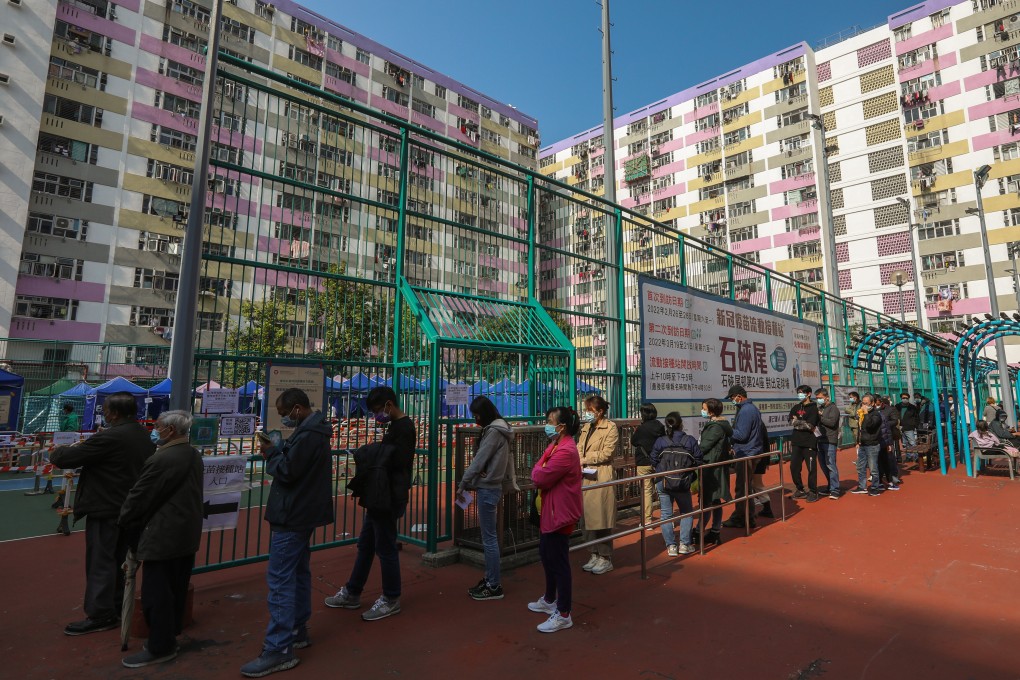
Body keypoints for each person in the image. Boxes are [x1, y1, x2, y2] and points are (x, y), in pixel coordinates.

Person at [242, 388, 334, 678]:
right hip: (301, 511)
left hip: (293, 512)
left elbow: (287, 472)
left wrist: (271, 454)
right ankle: (296, 630)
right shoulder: (313, 432)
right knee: (297, 572)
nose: (283, 419)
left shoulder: (309, 436)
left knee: (281, 578)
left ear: (297, 408)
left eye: (284, 414)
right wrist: (280, 451)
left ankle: (279, 648)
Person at [50, 392, 153, 636]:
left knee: (101, 560)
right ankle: (116, 605)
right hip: (130, 507)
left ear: (114, 413)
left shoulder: (110, 437)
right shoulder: (143, 435)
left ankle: (100, 613)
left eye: (106, 410)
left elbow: (66, 459)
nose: (104, 414)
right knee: (120, 560)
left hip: (106, 507)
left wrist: (59, 450)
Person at [117, 410, 203, 668]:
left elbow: (139, 497)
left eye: (158, 426)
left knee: (157, 592)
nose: (155, 430)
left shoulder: (162, 460)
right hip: (186, 531)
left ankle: (160, 645)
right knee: (176, 585)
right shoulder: (192, 454)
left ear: (172, 431)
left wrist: (125, 522)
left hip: (162, 533)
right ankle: (168, 636)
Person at [325, 387, 415, 620]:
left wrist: (374, 452)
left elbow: (399, 461)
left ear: (388, 405)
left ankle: (391, 597)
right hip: (379, 494)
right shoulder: (394, 426)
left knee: (385, 547)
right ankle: (353, 591)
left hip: (389, 495)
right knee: (366, 544)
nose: (377, 416)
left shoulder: (404, 427)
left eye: (377, 410)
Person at [457, 396, 518, 601]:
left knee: (489, 539)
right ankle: (490, 578)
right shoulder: (502, 428)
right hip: (493, 485)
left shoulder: (493, 432)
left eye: (477, 415)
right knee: (490, 537)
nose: (475, 419)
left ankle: (493, 585)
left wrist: (464, 482)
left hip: (488, 487)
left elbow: (479, 459)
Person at [528, 406, 582, 634]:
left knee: (558, 561)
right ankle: (550, 598)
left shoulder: (566, 450)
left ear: (562, 426)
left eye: (551, 420)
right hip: (550, 511)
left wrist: (540, 470)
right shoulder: (555, 445)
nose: (547, 424)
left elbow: (539, 475)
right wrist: (540, 469)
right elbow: (538, 470)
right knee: (546, 554)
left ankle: (563, 613)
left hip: (559, 513)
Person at [649, 412, 702, 556]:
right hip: (682, 482)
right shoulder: (689, 440)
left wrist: (662, 469)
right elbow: (698, 459)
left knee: (666, 514)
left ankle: (671, 546)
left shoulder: (661, 441)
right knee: (687, 512)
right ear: (681, 424)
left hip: (663, 480)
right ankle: (684, 544)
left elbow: (653, 458)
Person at [577, 395, 619, 576]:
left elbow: (607, 453)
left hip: (600, 475)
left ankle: (605, 557)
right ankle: (593, 552)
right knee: (586, 518)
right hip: (585, 475)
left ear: (600, 411)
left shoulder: (610, 428)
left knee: (601, 518)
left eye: (590, 411)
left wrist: (586, 458)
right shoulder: (586, 427)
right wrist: (579, 458)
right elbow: (579, 446)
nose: (587, 414)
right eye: (586, 410)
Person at [723, 385, 766, 527]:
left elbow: (742, 435)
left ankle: (742, 518)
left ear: (738, 396)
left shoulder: (747, 411)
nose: (731, 401)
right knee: (745, 487)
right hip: (749, 451)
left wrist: (726, 428)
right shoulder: (749, 409)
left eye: (731, 398)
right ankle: (745, 516)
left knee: (742, 487)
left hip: (747, 453)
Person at [693, 399, 732, 547]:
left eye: (703, 408)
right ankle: (714, 531)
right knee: (714, 501)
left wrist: (694, 453)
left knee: (707, 501)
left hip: (711, 467)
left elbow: (704, 446)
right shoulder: (719, 425)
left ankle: (700, 531)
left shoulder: (715, 427)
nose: (701, 411)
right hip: (714, 466)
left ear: (711, 411)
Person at [630, 403, 665, 528]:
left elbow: (633, 442)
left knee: (646, 491)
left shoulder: (641, 428)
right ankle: (667, 519)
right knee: (662, 490)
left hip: (643, 462)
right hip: (659, 462)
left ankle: (647, 521)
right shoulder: (660, 426)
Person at [788, 386, 820, 502]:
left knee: (811, 468)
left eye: (801, 393)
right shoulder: (796, 407)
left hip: (809, 443)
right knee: (794, 467)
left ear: (808, 394)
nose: (799, 395)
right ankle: (800, 489)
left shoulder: (814, 408)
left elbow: (810, 426)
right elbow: (791, 421)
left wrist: (797, 422)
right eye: (798, 393)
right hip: (796, 442)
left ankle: (813, 491)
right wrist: (799, 423)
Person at [852, 394, 883, 496]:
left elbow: (870, 426)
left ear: (872, 403)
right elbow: (860, 429)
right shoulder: (861, 414)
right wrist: (857, 441)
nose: (863, 405)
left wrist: (865, 414)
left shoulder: (876, 415)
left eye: (866, 403)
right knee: (860, 466)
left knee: (873, 467)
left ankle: (875, 487)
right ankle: (862, 486)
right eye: (862, 403)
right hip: (862, 444)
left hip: (872, 444)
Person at [814, 388, 841, 500]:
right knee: (823, 465)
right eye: (817, 398)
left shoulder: (833, 408)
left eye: (820, 398)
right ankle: (830, 485)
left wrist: (821, 417)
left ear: (826, 397)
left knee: (831, 465)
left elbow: (832, 422)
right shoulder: (819, 408)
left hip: (830, 440)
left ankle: (835, 489)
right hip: (820, 439)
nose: (819, 400)